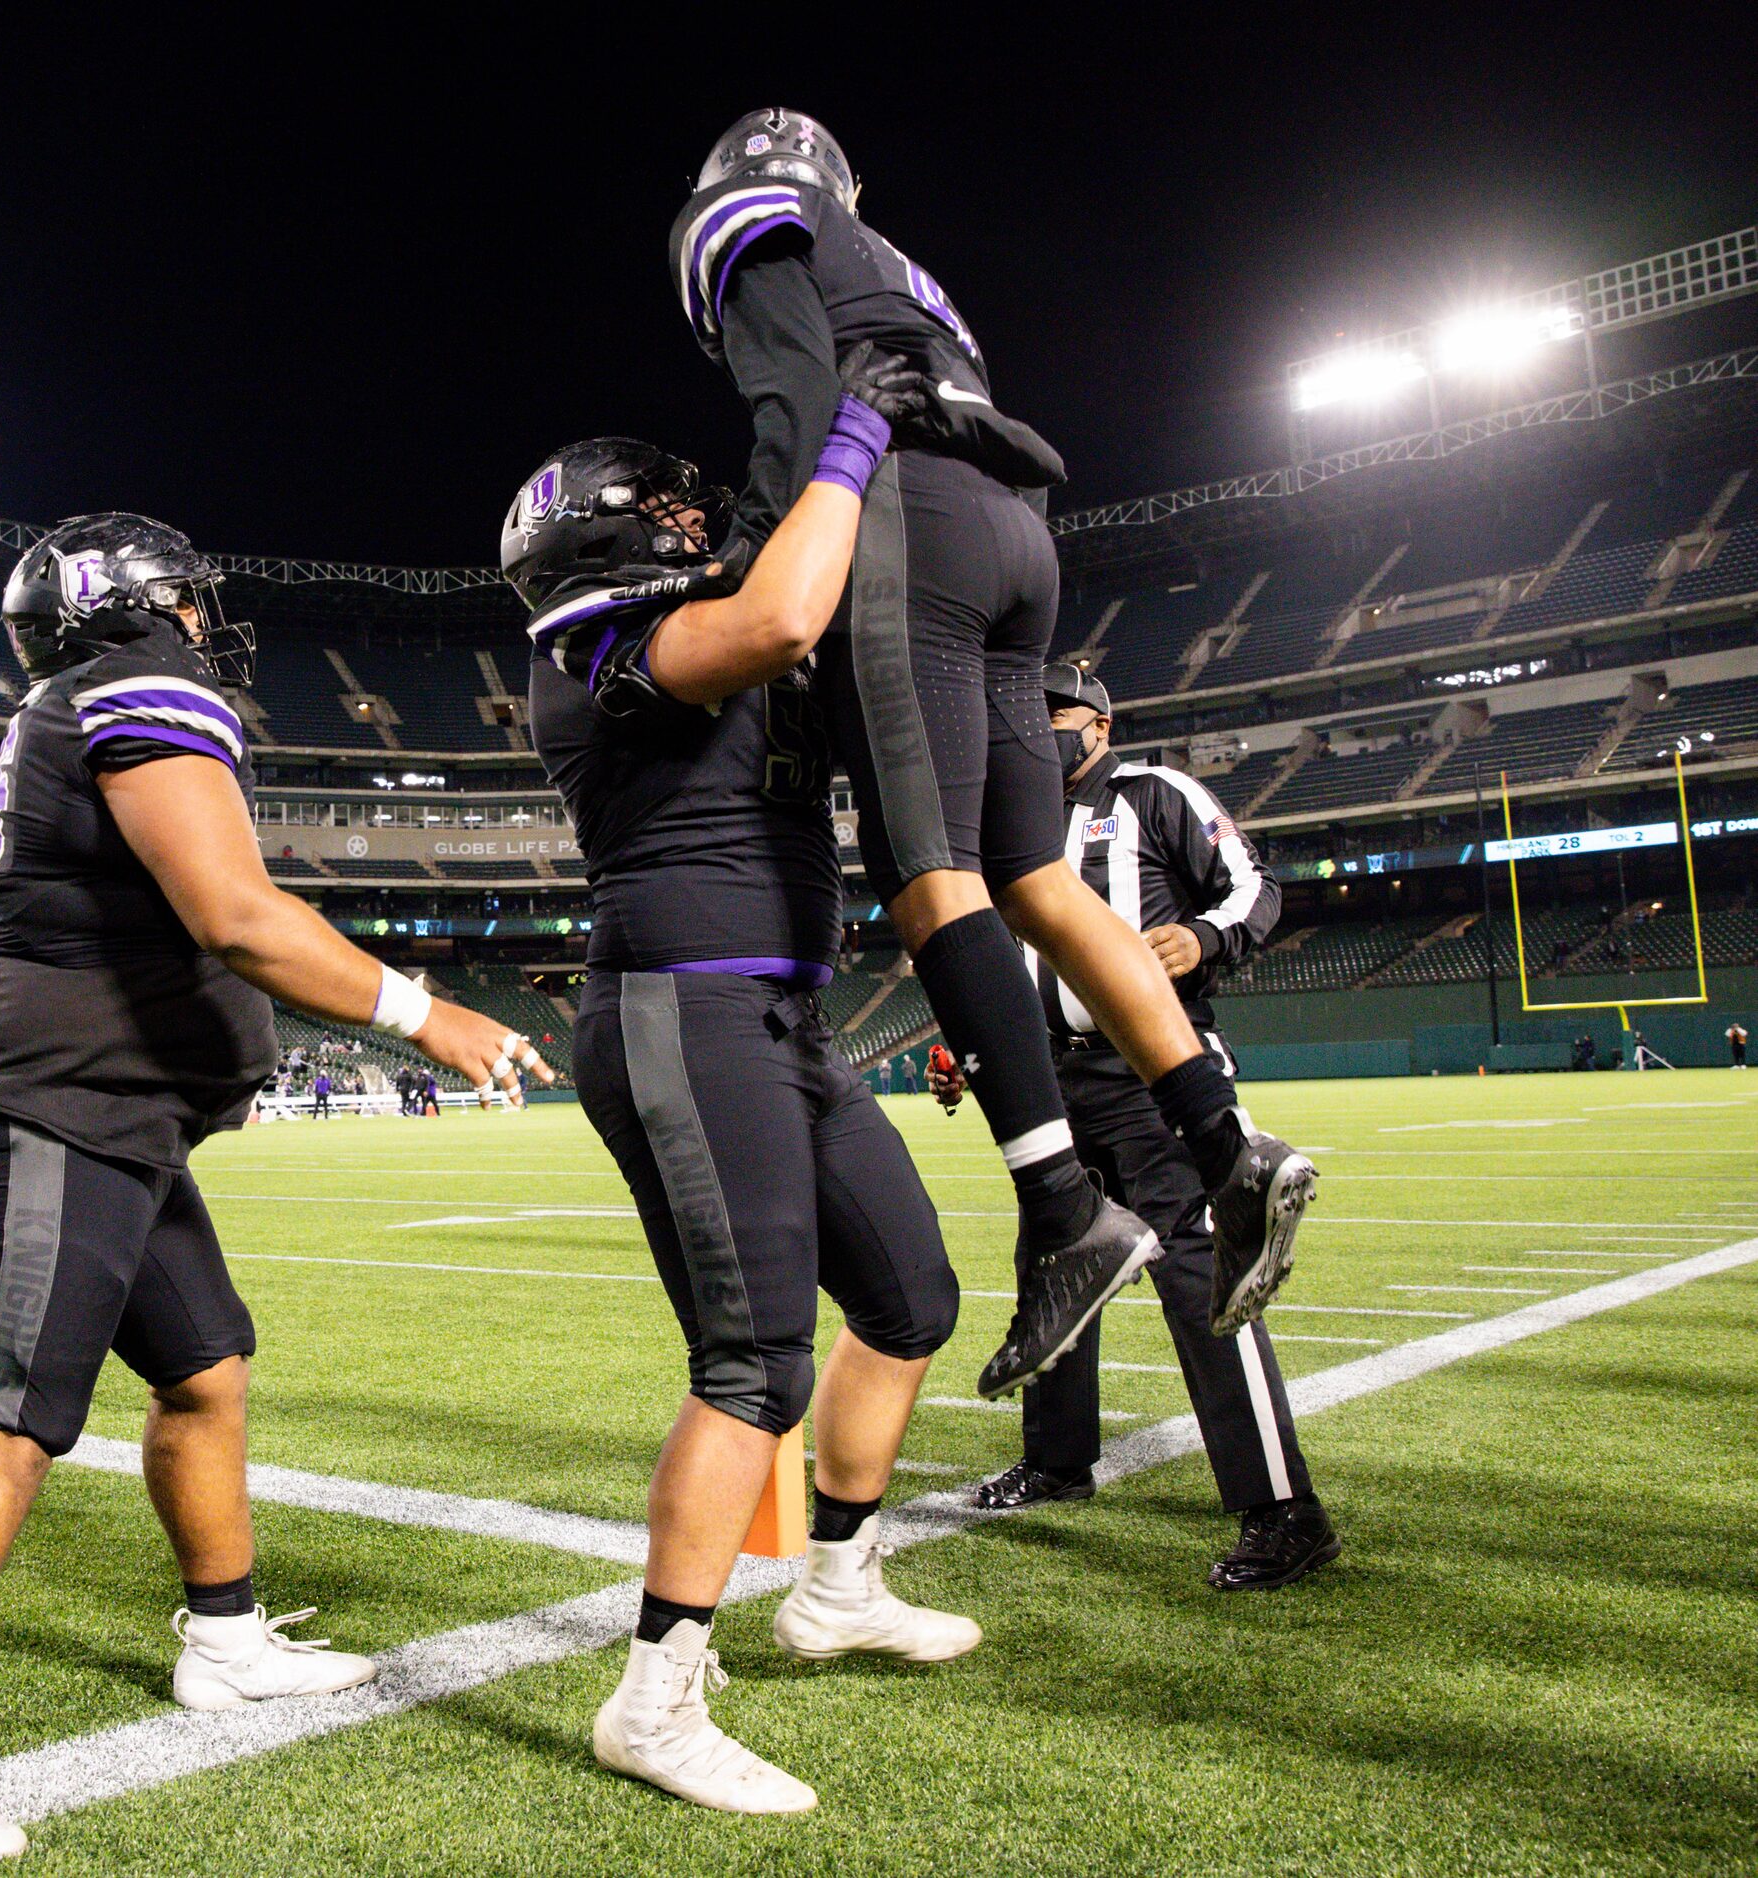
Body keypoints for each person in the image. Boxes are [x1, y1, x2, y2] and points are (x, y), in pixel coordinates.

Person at [0, 513, 549, 1863]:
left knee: (206, 1365)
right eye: (186, 600)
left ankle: (224, 1635)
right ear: (146, 605)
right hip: (51, 1104)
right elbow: (236, 913)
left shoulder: (75, 698)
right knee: (8, 1425)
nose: (202, 620)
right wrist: (425, 1012)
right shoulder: (137, 683)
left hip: (111, 1111)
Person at [670, 108, 1316, 1396]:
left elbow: (801, 403)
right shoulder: (899, 263)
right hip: (1019, 538)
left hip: (912, 522)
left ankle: (1063, 1209)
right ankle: (1225, 1145)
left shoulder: (737, 222)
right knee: (1037, 874)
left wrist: (748, 559)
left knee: (929, 875)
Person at [512, 388, 978, 1815]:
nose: (695, 524)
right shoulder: (597, 644)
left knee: (909, 1296)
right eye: (666, 512)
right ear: (606, 537)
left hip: (783, 1010)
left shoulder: (707, 619)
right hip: (681, 1007)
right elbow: (778, 620)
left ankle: (835, 1583)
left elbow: (831, 627)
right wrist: (845, 440)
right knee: (751, 1366)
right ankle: (652, 1698)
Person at [933, 666, 1337, 1589]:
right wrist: (966, 1042)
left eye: (1052, 717)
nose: (1033, 733)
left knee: (1203, 1276)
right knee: (1055, 1264)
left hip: (1155, 1078)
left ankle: (1283, 1508)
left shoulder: (1155, 794)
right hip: (1048, 1081)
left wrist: (1204, 938)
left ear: (1100, 725)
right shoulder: (1008, 829)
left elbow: (1251, 887)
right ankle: (1058, 1460)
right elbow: (994, 951)